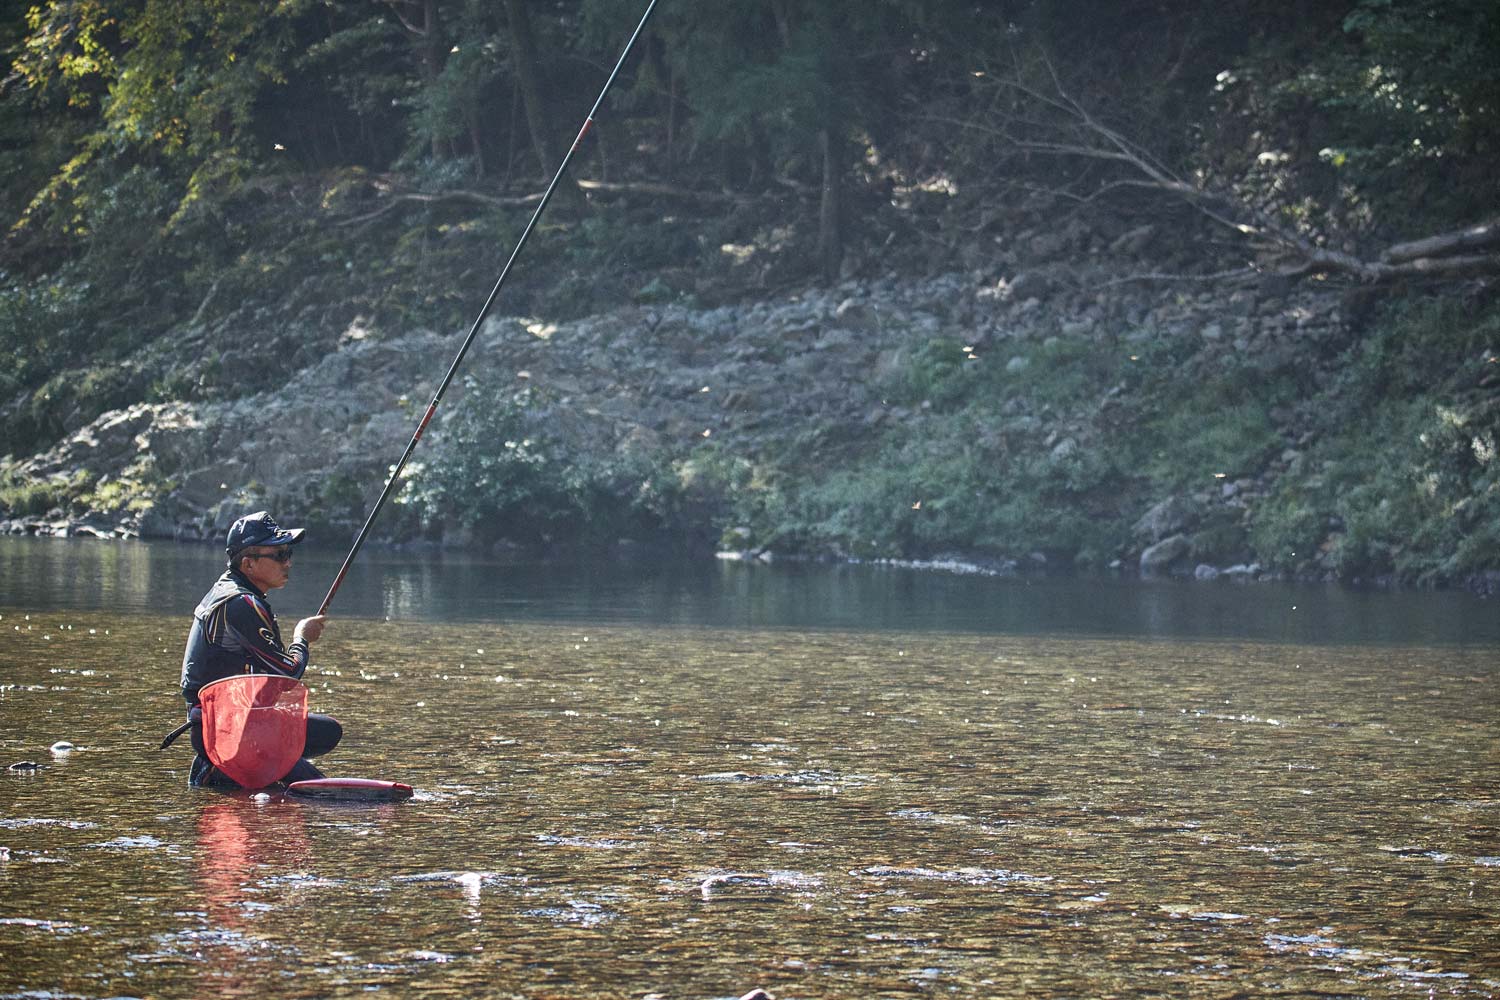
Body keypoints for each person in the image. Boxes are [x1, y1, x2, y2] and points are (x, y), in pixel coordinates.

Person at [177, 510, 341, 788]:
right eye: (278, 555)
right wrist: (302, 637)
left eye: (288, 553)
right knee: (320, 792)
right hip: (227, 729)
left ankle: (230, 770)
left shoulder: (227, 590)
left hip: (219, 724)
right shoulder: (242, 604)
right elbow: (288, 675)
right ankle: (228, 767)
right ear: (249, 563)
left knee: (327, 732)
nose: (287, 562)